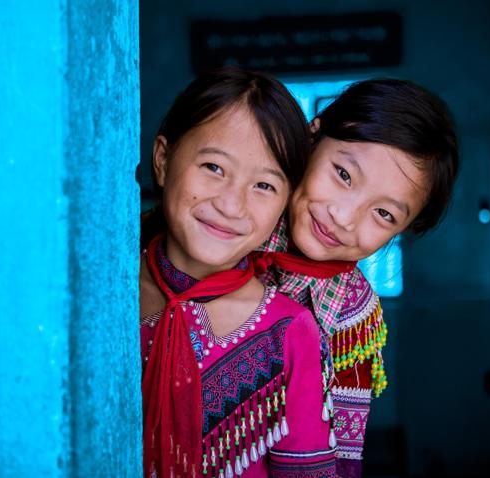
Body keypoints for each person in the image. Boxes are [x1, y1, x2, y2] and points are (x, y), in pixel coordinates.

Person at [139, 67, 337, 478]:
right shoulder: (100, 291)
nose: (232, 205)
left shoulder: (290, 332)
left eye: (264, 185)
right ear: (163, 160)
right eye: (213, 167)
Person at [259, 78, 460, 477]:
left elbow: (342, 459)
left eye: (384, 214)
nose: (344, 217)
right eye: (344, 175)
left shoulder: (354, 319)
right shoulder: (237, 218)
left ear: (402, 231)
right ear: (312, 136)